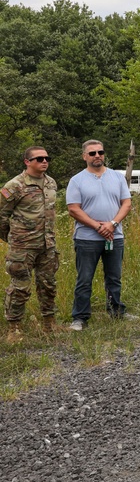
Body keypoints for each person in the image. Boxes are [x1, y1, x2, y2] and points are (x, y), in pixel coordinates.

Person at [66, 140, 135, 331]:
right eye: (92, 153)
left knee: (114, 277)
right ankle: (80, 318)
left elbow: (126, 204)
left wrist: (112, 224)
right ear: (84, 156)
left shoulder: (117, 177)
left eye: (100, 152)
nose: (97, 155)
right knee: (85, 278)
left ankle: (116, 311)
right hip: (87, 238)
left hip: (115, 236)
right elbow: (73, 209)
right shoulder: (76, 180)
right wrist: (98, 226)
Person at [1, 146, 60, 341]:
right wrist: (13, 238)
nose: (44, 161)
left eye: (47, 158)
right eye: (39, 158)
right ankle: (14, 329)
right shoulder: (14, 186)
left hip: (47, 245)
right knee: (20, 288)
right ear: (27, 162)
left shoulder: (51, 183)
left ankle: (49, 324)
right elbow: (1, 216)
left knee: (48, 285)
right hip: (22, 248)